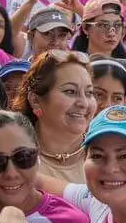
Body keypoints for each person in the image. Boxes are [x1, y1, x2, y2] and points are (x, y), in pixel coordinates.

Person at [14, 49, 95, 184]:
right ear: (35, 100)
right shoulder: (10, 151)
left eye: (89, 93)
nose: (83, 103)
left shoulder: (105, 153)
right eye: (70, 91)